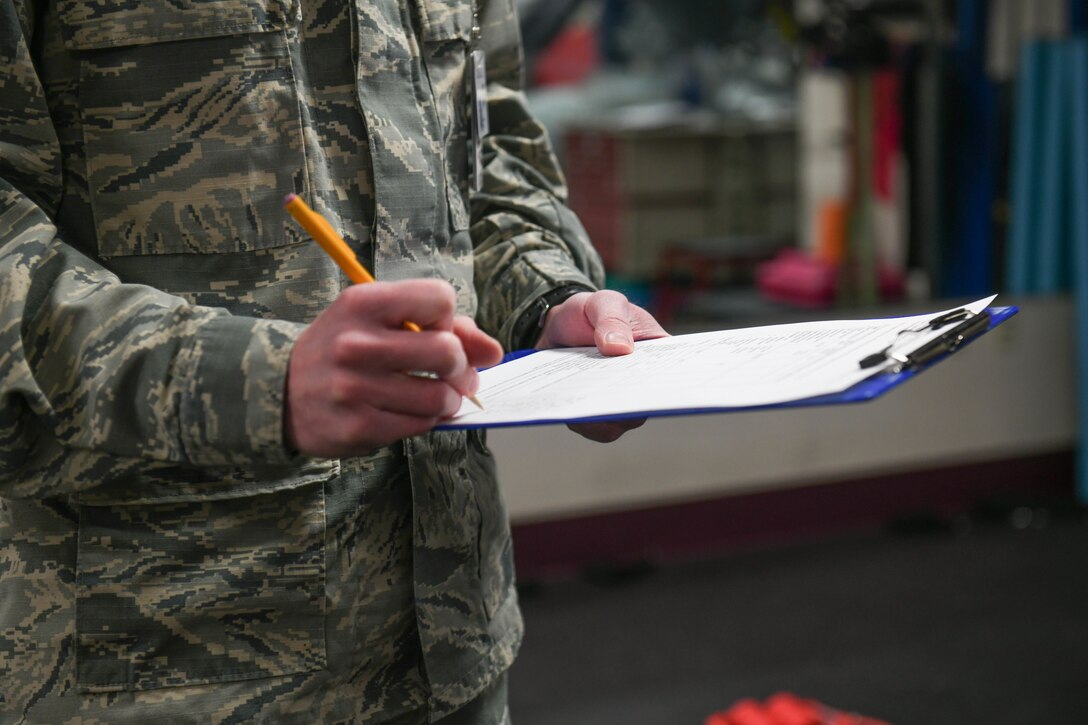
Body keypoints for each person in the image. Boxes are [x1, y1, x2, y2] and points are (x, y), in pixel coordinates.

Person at [0, 0, 666, 722]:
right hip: (174, 666)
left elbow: (484, 148)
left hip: (453, 642)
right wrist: (259, 381)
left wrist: (548, 295)